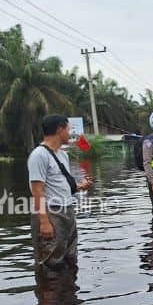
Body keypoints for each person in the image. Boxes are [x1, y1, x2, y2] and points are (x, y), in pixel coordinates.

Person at [28, 115, 93, 273]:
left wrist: (79, 186)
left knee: (70, 257)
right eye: (68, 129)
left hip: (67, 211)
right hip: (52, 213)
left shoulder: (62, 155)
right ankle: (49, 295)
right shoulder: (39, 155)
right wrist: (44, 222)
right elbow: (37, 191)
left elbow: (59, 184)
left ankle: (69, 294)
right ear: (59, 130)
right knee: (50, 261)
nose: (70, 133)